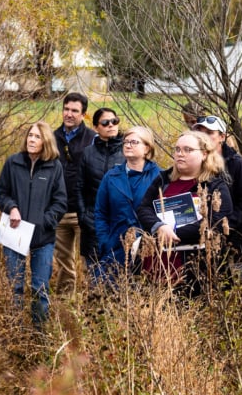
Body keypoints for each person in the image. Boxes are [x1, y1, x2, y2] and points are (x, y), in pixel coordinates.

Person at [136, 131, 233, 297]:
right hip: (158, 261)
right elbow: (144, 208)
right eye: (178, 149)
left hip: (197, 263)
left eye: (188, 149)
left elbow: (213, 222)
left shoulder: (215, 186)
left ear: (204, 154)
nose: (180, 154)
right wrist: (160, 227)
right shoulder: (164, 179)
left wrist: (171, 234)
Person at [0, 121, 68, 326]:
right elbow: (1, 192)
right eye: (30, 135)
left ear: (46, 141)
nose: (32, 140)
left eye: (37, 136)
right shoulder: (13, 163)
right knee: (15, 286)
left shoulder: (55, 167)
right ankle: (15, 330)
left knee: (40, 288)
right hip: (14, 235)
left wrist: (44, 221)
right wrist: (11, 208)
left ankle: (39, 334)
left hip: (42, 237)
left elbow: (60, 202)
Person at [192, 115, 242, 280]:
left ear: (222, 137)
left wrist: (223, 226)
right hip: (199, 242)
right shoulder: (193, 164)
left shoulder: (236, 163)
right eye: (200, 131)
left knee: (235, 291)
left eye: (209, 132)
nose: (203, 136)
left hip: (234, 243)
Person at [94, 126, 161, 280]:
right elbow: (100, 213)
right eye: (126, 142)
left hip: (148, 247)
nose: (128, 145)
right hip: (116, 245)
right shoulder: (111, 177)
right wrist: (105, 241)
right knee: (108, 293)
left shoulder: (159, 176)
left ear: (147, 148)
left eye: (134, 142)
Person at [52, 92, 96, 295]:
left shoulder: (92, 139)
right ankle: (65, 305)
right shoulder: (52, 138)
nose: (69, 114)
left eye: (74, 111)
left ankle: (92, 304)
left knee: (90, 261)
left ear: (83, 114)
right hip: (59, 210)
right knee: (64, 264)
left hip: (84, 211)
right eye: (66, 109)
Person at [75, 108, 125, 279]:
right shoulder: (87, 153)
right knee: (94, 274)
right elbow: (79, 187)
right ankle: (95, 305)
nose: (111, 125)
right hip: (92, 224)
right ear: (96, 127)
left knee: (119, 275)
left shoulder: (127, 152)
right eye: (105, 122)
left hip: (119, 224)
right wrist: (83, 216)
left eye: (114, 121)